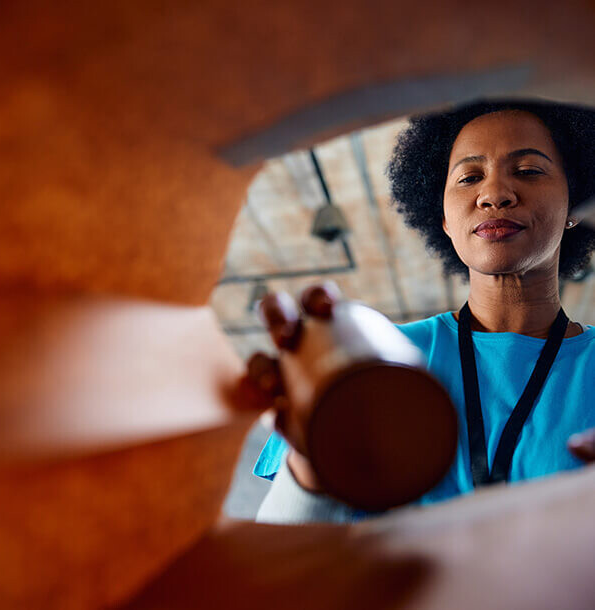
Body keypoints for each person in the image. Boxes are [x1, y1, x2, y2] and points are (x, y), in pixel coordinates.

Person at [244, 98, 595, 524]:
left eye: (527, 171)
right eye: (469, 177)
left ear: (575, 204)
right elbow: (287, 558)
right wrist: (310, 465)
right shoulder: (378, 362)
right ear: (444, 217)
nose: (495, 194)